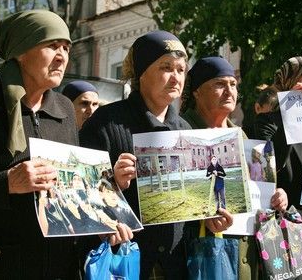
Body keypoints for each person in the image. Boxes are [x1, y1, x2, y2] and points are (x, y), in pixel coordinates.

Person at [0, 9, 131, 279]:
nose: (62, 56)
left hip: (59, 267)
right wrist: (7, 182)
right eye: (52, 46)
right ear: (21, 52)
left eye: (66, 48)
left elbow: (71, 191)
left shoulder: (65, 109)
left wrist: (103, 218)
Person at [80, 31, 232, 279]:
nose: (176, 77)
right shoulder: (105, 123)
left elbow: (192, 204)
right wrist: (112, 182)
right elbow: (80, 192)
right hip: (124, 264)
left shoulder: (185, 130)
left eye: (181, 70)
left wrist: (210, 219)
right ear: (141, 73)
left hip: (176, 265)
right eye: (166, 67)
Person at [181, 56, 288, 280]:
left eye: (233, 84)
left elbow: (258, 193)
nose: (229, 91)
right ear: (196, 92)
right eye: (219, 84)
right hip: (200, 260)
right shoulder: (180, 133)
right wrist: (202, 217)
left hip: (244, 258)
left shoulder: (243, 137)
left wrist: (277, 198)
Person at [250, 56, 302, 277]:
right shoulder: (267, 121)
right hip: (288, 227)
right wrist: (292, 107)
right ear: (292, 81)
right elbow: (268, 165)